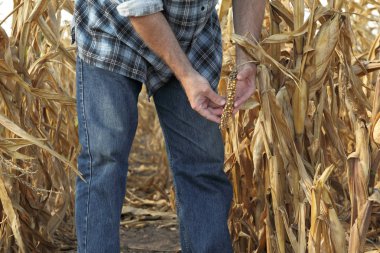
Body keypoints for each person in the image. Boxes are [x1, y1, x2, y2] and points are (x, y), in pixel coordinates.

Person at [71, 0, 265, 252]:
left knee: (201, 163)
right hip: (111, 30)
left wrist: (246, 60)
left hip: (191, 37)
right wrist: (186, 75)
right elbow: (140, 7)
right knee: (104, 159)